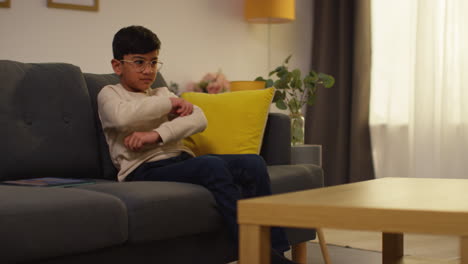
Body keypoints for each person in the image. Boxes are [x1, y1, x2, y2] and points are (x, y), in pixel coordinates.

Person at [97, 25, 297, 264]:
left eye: (153, 62)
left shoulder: (161, 93)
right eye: (139, 62)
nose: (148, 70)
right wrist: (170, 105)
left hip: (179, 160)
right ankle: (257, 255)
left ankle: (276, 251)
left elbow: (199, 118)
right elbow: (122, 117)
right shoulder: (110, 94)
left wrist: (157, 135)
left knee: (253, 163)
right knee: (211, 166)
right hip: (142, 169)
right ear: (117, 65)